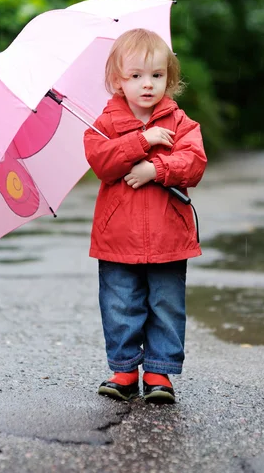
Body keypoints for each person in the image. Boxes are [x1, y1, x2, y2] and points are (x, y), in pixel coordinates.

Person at [83, 28, 207, 403]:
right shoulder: (102, 125)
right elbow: (102, 163)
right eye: (135, 76)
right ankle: (123, 369)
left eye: (156, 75)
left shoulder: (180, 122)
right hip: (117, 237)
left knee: (167, 305)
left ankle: (159, 372)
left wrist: (157, 169)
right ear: (117, 80)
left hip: (169, 235)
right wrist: (141, 141)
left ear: (169, 78)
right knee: (120, 303)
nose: (147, 84)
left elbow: (195, 162)